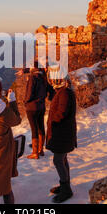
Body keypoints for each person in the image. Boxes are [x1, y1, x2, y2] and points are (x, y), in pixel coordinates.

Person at [45, 65, 77, 203]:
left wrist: (53, 122)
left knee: (58, 160)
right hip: (64, 133)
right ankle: (65, 185)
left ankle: (66, 190)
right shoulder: (64, 90)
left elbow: (61, 113)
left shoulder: (64, 92)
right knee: (62, 159)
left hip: (62, 134)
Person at [22, 61, 54, 159]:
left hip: (32, 107)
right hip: (41, 106)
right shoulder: (43, 78)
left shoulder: (33, 78)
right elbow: (51, 90)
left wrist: (26, 102)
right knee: (41, 126)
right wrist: (48, 98)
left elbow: (29, 92)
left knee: (34, 129)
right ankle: (41, 150)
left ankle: (35, 153)